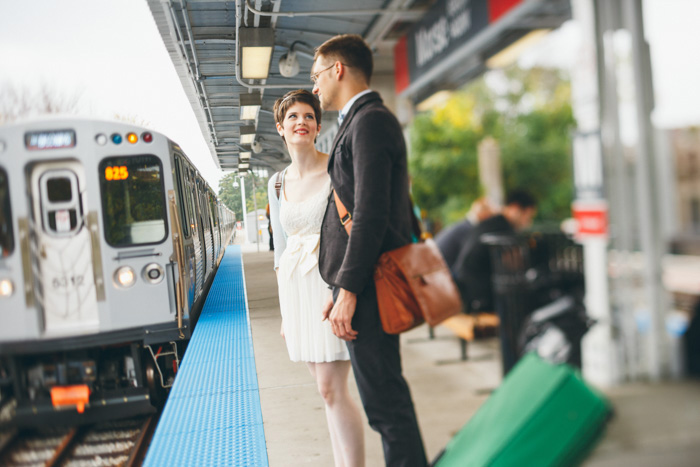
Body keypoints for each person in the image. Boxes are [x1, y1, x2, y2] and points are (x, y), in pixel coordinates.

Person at [313, 34, 428, 466]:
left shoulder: (369, 121)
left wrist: (348, 289)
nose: (316, 85)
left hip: (371, 288)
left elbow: (370, 214)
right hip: (365, 285)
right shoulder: (360, 121)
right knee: (384, 400)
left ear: (337, 70)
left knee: (385, 405)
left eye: (317, 75)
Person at [267, 89, 365, 467]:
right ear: (280, 128)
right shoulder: (277, 184)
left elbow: (354, 227)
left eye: (308, 116)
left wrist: (346, 289)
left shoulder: (335, 168)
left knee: (332, 388)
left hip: (330, 285)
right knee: (326, 392)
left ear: (318, 125)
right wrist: (283, 315)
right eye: (292, 117)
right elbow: (280, 253)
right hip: (296, 291)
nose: (301, 123)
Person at [453, 189, 537, 313]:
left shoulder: (491, 223)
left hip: (467, 292)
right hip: (480, 298)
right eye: (528, 216)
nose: (528, 223)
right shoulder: (503, 229)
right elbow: (514, 265)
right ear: (515, 208)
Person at [434, 197, 494, 272]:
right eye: (490, 215)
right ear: (484, 214)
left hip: (442, 267)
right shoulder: (469, 230)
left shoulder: (465, 225)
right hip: (445, 270)